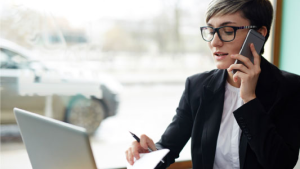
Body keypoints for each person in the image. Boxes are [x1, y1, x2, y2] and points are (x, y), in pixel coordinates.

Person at [125, 0, 300, 168]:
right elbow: (168, 148)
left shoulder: (289, 88)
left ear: (259, 34)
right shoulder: (196, 86)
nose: (215, 42)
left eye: (228, 30)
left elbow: (280, 163)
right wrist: (148, 154)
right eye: (211, 30)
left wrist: (249, 99)